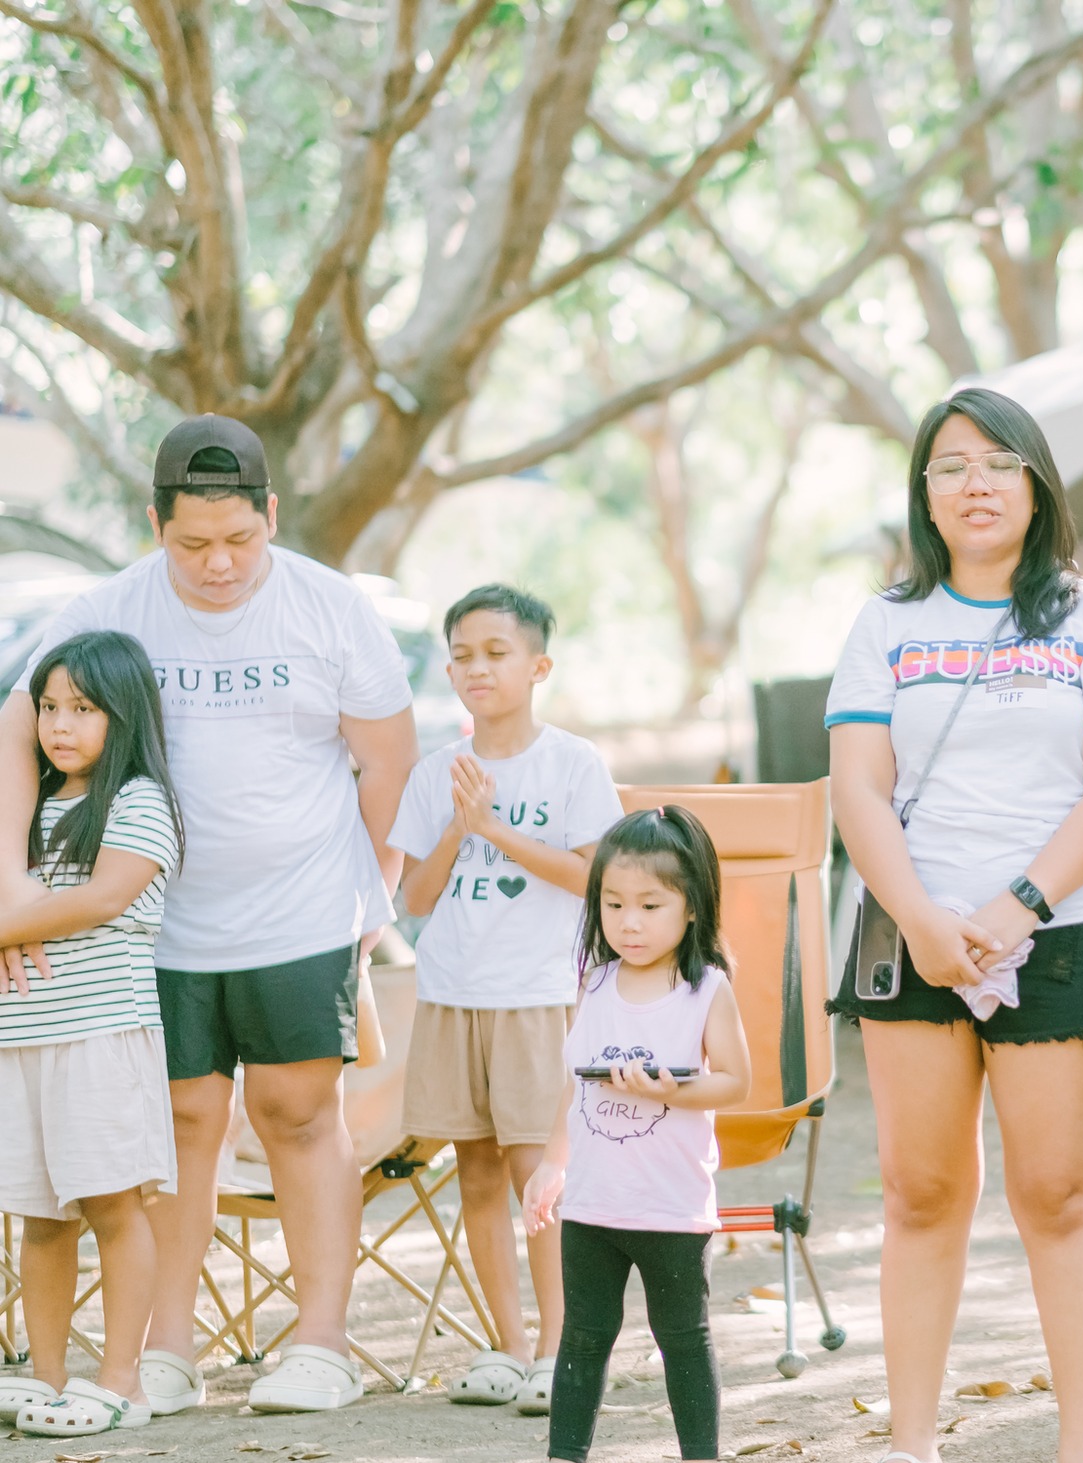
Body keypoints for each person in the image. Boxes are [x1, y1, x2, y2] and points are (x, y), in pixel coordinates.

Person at [0, 415, 419, 1414]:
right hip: (151, 926)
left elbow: (389, 761)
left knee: (299, 1113)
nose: (219, 563)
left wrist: (374, 898)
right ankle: (167, 1350)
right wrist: (14, 892)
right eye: (193, 543)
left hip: (302, 909)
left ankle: (320, 1344)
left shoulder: (331, 608)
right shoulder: (108, 609)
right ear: (156, 525)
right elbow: (16, 732)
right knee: (178, 1123)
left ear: (271, 513)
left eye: (240, 538)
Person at [825, 387, 1083, 1463]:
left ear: (1036, 483)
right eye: (951, 466)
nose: (976, 483)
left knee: (1058, 1193)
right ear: (923, 494)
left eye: (999, 462)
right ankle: (913, 1443)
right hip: (912, 934)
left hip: (1053, 931)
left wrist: (1019, 905)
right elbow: (857, 787)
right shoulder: (885, 622)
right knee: (921, 1193)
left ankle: (1080, 1444)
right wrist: (922, 917)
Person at [390, 584, 623, 1414]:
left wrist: (494, 829)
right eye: (462, 654)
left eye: (496, 652)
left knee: (540, 1175)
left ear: (538, 666)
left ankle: (563, 1349)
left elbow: (598, 878)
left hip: (538, 991)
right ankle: (511, 1345)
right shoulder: (435, 773)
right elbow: (416, 898)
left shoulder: (572, 762)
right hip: (453, 992)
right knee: (478, 1175)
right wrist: (461, 825)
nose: (476, 668)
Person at [521, 807, 751, 1463]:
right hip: (593, 1203)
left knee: (682, 1338)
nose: (629, 921)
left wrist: (669, 1091)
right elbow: (576, 1084)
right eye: (614, 903)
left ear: (692, 907)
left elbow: (736, 1081)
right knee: (582, 1337)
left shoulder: (705, 989)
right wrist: (552, 1163)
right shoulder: (594, 982)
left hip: (671, 1205)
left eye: (651, 905)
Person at [0, 633, 183, 1436]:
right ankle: (46, 1377)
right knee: (40, 1216)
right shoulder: (28, 809)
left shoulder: (139, 800)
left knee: (113, 1206)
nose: (59, 725)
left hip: (102, 1037)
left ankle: (122, 1382)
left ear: (124, 714)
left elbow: (102, 898)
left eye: (82, 708)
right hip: (24, 1041)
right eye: (48, 707)